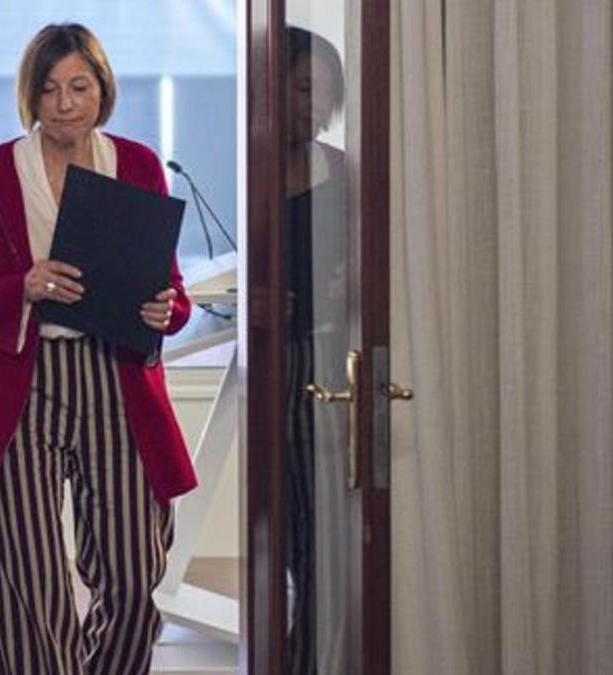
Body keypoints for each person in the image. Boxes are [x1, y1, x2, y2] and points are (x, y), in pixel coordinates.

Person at [0, 23, 197, 675]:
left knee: (135, 573)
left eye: (79, 86)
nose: (65, 103)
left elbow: (170, 287)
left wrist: (167, 309)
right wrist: (23, 286)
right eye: (48, 89)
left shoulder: (137, 164)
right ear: (30, 96)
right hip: (28, 379)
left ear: (103, 89)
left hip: (117, 377)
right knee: (29, 575)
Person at [281, 25, 349, 675]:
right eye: (304, 89)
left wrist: (351, 280)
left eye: (326, 92)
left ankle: (310, 657)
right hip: (272, 363)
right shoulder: (252, 171)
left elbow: (372, 263)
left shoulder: (343, 171)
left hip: (325, 358)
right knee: (282, 522)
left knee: (322, 527)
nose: (317, 105)